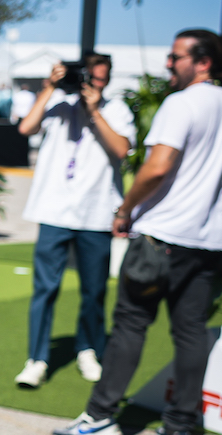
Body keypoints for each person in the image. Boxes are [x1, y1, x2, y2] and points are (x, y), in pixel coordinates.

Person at [53, 29, 222, 435]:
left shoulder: (181, 104)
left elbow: (158, 167)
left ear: (203, 62)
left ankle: (101, 417)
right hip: (209, 240)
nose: (167, 63)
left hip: (161, 237)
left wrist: (124, 209)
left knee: (129, 326)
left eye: (176, 56)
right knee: (190, 332)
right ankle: (180, 427)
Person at [13, 53, 135, 388]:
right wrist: (49, 87)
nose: (93, 84)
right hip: (53, 210)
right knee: (45, 288)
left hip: (96, 213)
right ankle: (37, 358)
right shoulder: (58, 104)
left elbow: (122, 149)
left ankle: (88, 349)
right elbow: (25, 127)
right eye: (88, 77)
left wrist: (95, 110)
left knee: (93, 290)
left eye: (100, 78)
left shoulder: (117, 109)